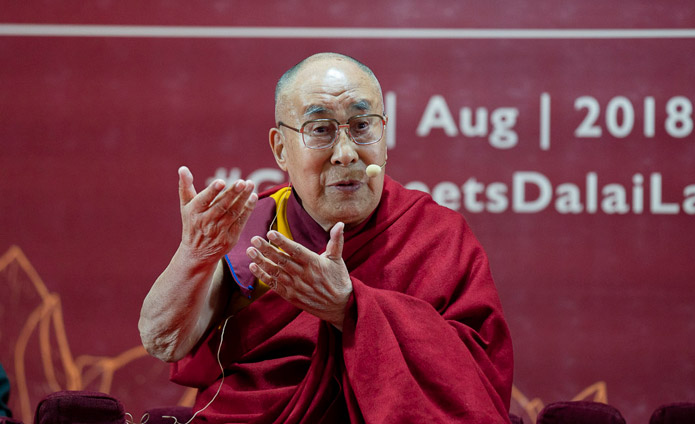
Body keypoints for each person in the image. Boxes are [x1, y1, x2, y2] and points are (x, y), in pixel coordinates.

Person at [139, 52, 513, 423]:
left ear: (384, 135)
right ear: (281, 149)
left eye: (362, 126)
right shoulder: (255, 228)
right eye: (320, 130)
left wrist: (349, 307)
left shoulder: (436, 234)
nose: (345, 153)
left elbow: (475, 378)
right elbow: (163, 341)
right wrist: (194, 254)